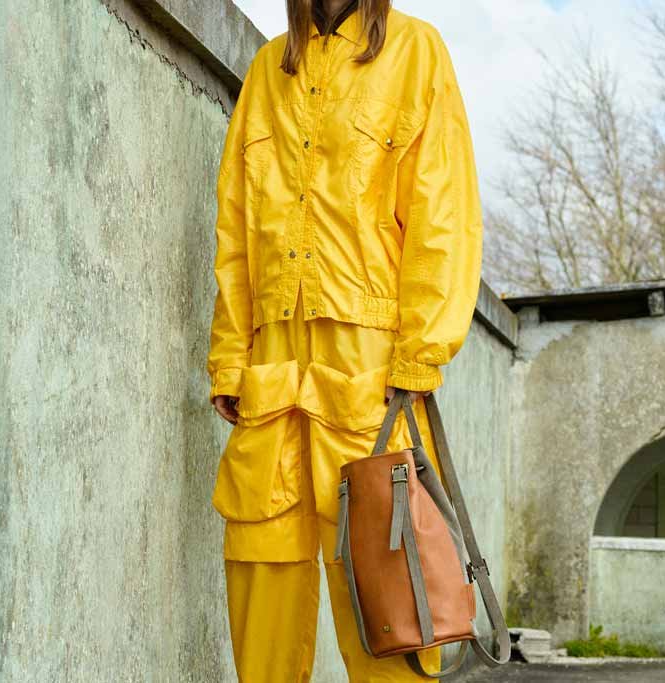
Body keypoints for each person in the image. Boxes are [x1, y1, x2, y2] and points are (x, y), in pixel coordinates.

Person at [205, 0, 484, 680]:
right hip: (271, 382)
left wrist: (420, 352)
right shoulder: (268, 71)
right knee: (262, 587)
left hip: (371, 379)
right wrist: (230, 359)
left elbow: (442, 215)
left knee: (391, 600)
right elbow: (235, 226)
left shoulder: (415, 52)